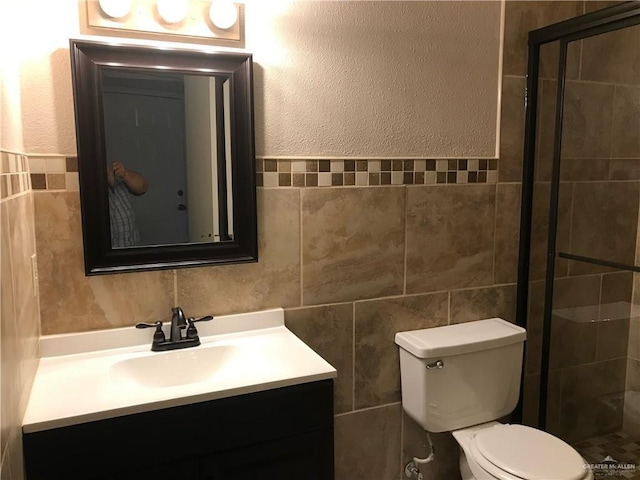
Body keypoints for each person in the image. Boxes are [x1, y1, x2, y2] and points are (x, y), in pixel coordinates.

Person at [107, 161, 148, 248]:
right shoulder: (90, 187)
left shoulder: (118, 177)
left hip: (132, 248)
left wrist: (124, 173)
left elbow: (142, 187)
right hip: (109, 257)